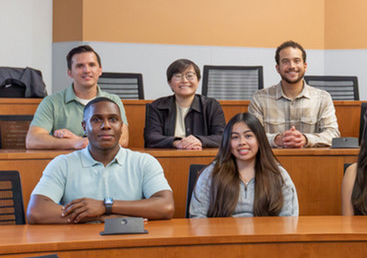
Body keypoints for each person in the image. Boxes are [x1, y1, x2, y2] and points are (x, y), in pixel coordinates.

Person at [26, 98, 174, 224]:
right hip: (79, 245)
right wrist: (101, 217)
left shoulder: (144, 162)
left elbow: (166, 206)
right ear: (84, 127)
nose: (106, 125)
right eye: (97, 119)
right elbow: (36, 211)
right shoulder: (62, 163)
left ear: (121, 127)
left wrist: (106, 206)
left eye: (113, 119)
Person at [190, 113, 298, 217]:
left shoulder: (278, 174)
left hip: (267, 235)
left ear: (260, 140)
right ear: (227, 142)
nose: (242, 142)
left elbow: (289, 218)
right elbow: (197, 216)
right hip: (222, 234)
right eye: (235, 137)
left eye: (248, 136)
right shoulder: (212, 173)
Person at [26, 45, 130, 150]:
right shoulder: (51, 102)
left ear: (100, 70)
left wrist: (80, 140)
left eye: (92, 65)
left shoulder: (113, 101)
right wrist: (74, 142)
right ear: (70, 72)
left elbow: (123, 139)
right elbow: (33, 140)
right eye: (80, 66)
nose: (87, 70)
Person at [248, 40, 339, 148]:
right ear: (278, 68)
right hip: (271, 162)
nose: (292, 66)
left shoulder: (322, 98)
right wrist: (277, 140)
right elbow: (251, 136)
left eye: (297, 61)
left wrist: (305, 139)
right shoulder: (260, 98)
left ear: (305, 66)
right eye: (285, 61)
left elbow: (333, 135)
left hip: (312, 161)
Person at [144, 59, 226, 149]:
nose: (184, 80)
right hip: (168, 159)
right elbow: (151, 137)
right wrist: (177, 143)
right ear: (170, 83)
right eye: (178, 76)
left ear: (198, 81)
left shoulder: (211, 106)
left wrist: (199, 140)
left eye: (190, 76)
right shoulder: (157, 106)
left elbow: (222, 137)